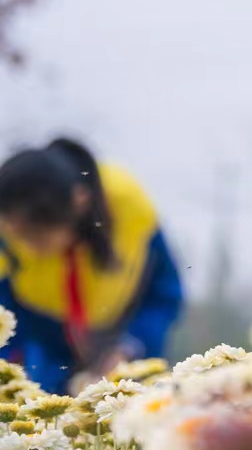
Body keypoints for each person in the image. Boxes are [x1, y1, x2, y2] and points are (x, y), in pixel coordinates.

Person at [0, 137, 184, 391]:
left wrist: (130, 345)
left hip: (121, 341)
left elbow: (164, 292)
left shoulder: (127, 209)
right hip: (42, 343)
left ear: (80, 202)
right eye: (17, 236)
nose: (29, 248)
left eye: (37, 236)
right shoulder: (8, 235)